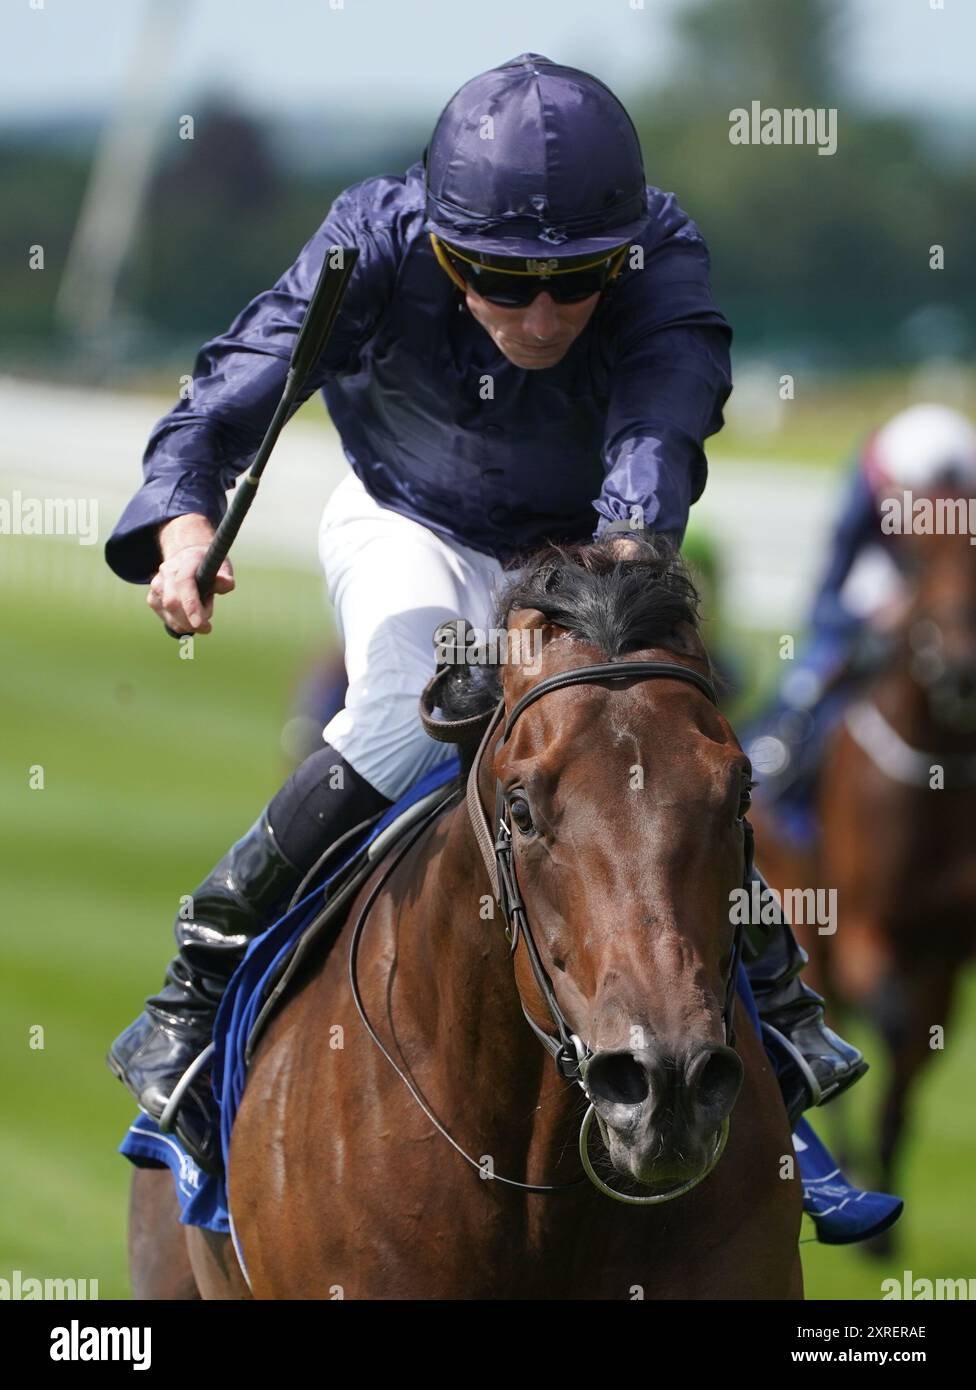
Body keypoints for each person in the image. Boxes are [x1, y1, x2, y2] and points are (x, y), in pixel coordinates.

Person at [105, 54, 863, 1171]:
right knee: (403, 717)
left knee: (657, 740)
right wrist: (179, 526)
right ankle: (198, 972)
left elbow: (656, 433)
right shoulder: (371, 239)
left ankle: (776, 1014)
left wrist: (615, 569)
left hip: (588, 544)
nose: (543, 313)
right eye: (500, 280)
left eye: (577, 279)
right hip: (405, 519)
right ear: (441, 246)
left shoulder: (665, 256)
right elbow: (224, 396)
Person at [746, 402, 976, 847]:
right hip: (875, 606)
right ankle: (776, 768)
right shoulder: (868, 486)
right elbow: (823, 602)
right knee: (809, 684)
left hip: (950, 615)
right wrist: (869, 619)